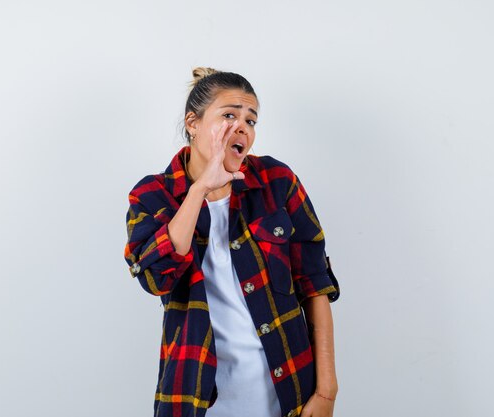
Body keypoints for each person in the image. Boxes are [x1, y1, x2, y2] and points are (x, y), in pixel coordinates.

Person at [125, 67, 339, 417]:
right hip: (196, 399)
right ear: (192, 123)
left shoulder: (277, 182)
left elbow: (315, 285)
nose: (241, 127)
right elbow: (156, 278)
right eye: (228, 115)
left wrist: (327, 390)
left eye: (250, 120)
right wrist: (200, 190)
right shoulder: (152, 196)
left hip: (288, 393)